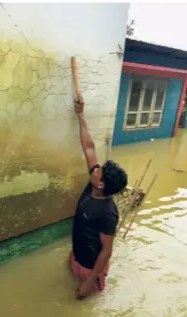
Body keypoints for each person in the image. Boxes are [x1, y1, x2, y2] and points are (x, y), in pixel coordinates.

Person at [69, 93, 128, 300]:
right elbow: (88, 147)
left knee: (82, 302)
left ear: (101, 183)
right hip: (77, 254)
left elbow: (106, 251)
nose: (95, 168)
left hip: (90, 267)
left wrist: (89, 281)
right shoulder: (95, 184)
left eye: (98, 170)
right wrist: (80, 115)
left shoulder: (107, 213)